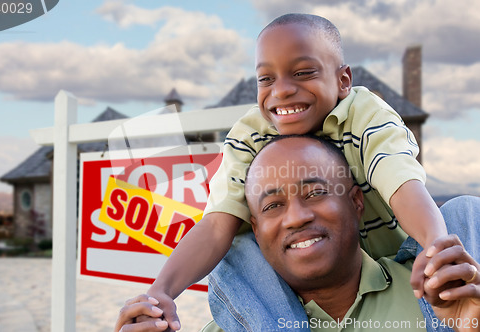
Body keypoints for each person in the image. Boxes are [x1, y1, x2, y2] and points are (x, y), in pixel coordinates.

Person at [142, 13, 449, 330]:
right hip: (295, 275)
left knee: (460, 213)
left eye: (302, 73)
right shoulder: (250, 134)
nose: (283, 90)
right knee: (238, 244)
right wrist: (160, 293)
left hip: (395, 260)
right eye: (266, 79)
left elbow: (401, 182)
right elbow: (217, 224)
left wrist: (435, 245)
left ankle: (445, 306)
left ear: (343, 80)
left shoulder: (366, 113)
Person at [114, 135, 480, 332]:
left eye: (316, 193)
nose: (296, 217)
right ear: (254, 231)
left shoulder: (447, 297)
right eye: (272, 206)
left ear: (356, 202)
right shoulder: (235, 325)